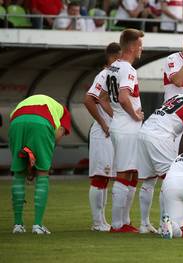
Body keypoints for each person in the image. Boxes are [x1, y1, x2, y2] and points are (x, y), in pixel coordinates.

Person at [136, 74, 183, 234]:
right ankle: (167, 224)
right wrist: (180, 159)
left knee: (149, 180)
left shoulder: (180, 95)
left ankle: (144, 224)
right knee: (172, 181)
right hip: (159, 137)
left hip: (144, 131)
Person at [9, 94, 71, 234]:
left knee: (19, 173)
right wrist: (42, 160)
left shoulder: (24, 103)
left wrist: (28, 167)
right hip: (42, 122)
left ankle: (17, 225)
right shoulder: (64, 112)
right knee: (43, 173)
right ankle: (37, 225)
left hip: (16, 122)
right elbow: (58, 135)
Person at [108, 29, 145, 233]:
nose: (142, 49)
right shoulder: (128, 70)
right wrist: (134, 114)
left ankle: (124, 221)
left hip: (119, 124)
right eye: (140, 44)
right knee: (124, 172)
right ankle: (116, 224)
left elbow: (105, 96)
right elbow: (123, 97)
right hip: (126, 126)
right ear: (131, 47)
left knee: (131, 172)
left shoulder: (113, 66)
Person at [83, 42, 121, 232]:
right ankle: (97, 222)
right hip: (102, 132)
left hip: (112, 132)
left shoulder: (115, 75)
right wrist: (104, 123)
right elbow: (89, 99)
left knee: (106, 177)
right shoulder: (105, 74)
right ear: (114, 57)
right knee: (100, 177)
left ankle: (102, 221)